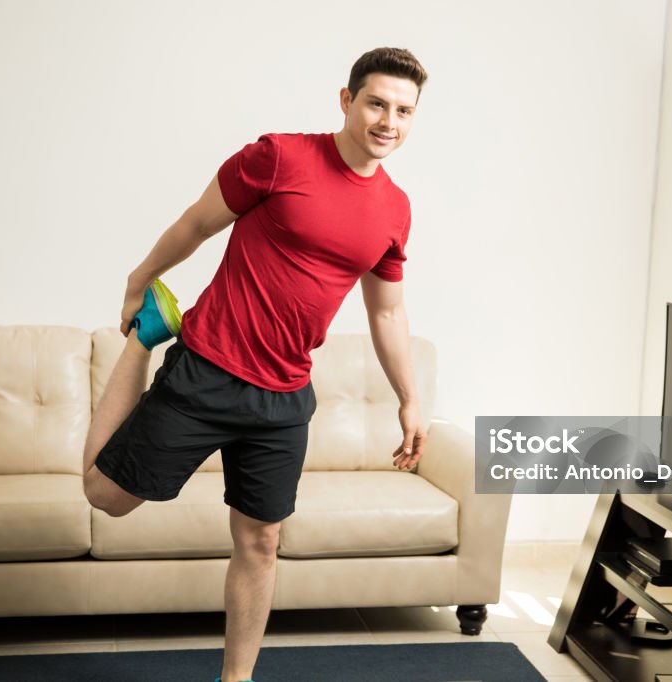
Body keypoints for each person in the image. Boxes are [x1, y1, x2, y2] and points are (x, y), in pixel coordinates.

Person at [81, 47, 429, 682]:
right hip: (207, 366)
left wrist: (409, 396)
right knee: (105, 496)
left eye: (404, 111)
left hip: (285, 396)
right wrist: (141, 280)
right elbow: (197, 222)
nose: (389, 121)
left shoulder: (394, 209)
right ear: (346, 100)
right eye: (377, 103)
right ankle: (145, 342)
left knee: (261, 542)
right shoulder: (279, 156)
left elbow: (387, 313)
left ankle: (235, 680)